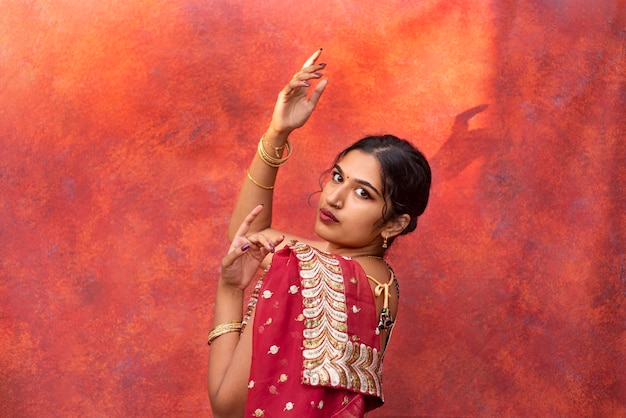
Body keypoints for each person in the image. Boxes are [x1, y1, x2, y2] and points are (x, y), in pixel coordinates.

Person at [207, 49, 431, 418]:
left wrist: (229, 289)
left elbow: (228, 408)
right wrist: (278, 132)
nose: (335, 197)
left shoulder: (303, 268)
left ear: (395, 223)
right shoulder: (382, 283)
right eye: (338, 177)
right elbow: (249, 235)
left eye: (363, 193)